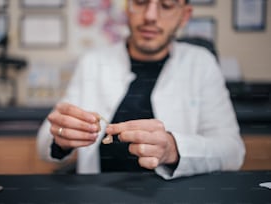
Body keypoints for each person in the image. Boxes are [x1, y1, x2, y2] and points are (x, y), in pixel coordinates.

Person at [37, 0, 245, 180]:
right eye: (140, 2)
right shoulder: (93, 62)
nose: (150, 16)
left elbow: (233, 152)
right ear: (127, 8)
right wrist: (61, 139)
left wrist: (174, 149)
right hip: (98, 194)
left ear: (184, 15)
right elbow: (43, 143)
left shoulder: (201, 64)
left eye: (166, 5)